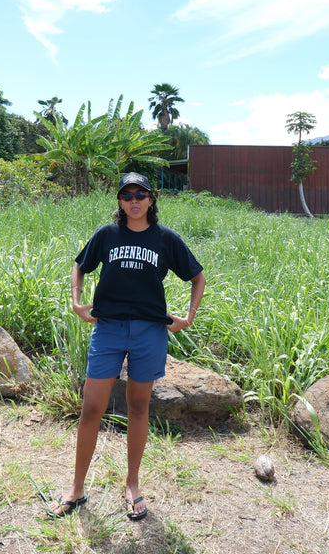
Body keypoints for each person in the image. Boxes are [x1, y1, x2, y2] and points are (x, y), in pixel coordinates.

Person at [48, 172, 206, 521]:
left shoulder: (166, 239)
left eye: (141, 194)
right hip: (108, 330)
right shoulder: (107, 235)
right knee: (91, 408)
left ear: (151, 200)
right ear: (119, 202)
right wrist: (76, 302)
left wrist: (189, 317)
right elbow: (80, 266)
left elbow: (197, 277)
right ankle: (76, 488)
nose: (134, 200)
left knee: (138, 407)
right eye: (127, 195)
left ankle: (132, 484)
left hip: (150, 331)